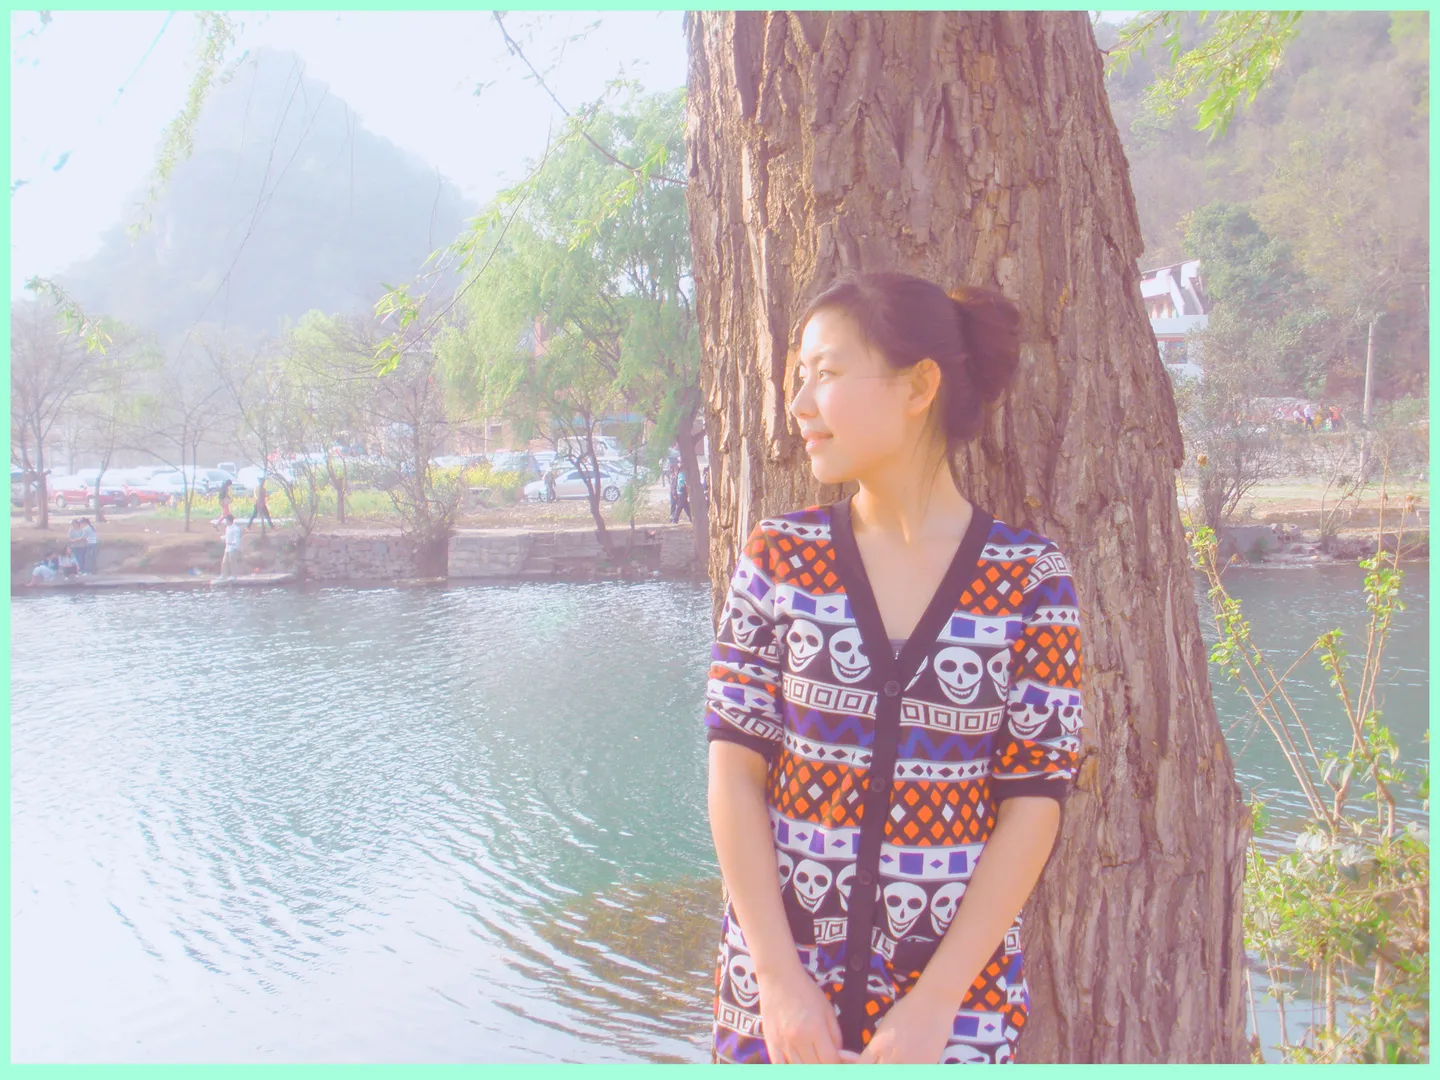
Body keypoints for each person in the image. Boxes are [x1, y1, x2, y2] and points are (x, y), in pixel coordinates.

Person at [705, 272, 1084, 1065]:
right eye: (798, 379)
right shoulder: (780, 560)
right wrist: (776, 979)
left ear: (919, 386)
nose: (799, 405)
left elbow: (1033, 803)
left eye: (826, 373)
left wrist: (936, 1003)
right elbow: (735, 773)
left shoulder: (1029, 581)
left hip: (947, 1023)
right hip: (780, 1016)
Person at [214, 514, 245, 583]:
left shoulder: (236, 529)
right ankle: (223, 575)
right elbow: (228, 536)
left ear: (230, 521)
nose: (226, 522)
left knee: (232, 562)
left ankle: (233, 575)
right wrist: (223, 538)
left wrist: (233, 544)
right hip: (227, 547)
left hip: (233, 548)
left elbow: (237, 539)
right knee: (225, 562)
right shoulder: (228, 528)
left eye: (226, 520)